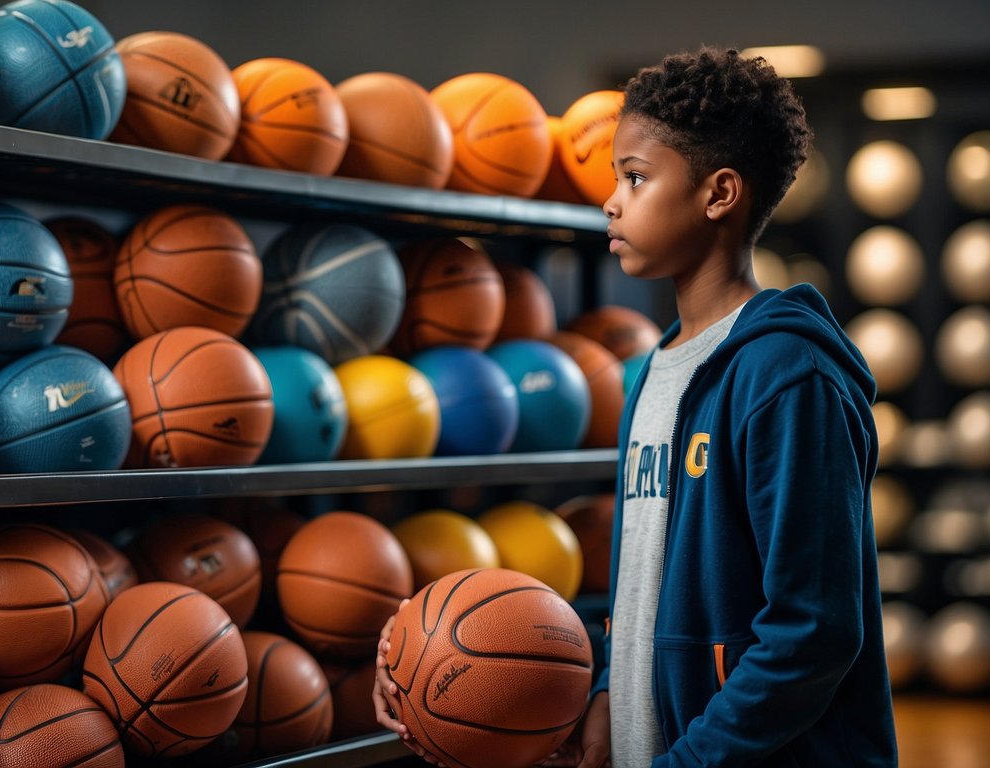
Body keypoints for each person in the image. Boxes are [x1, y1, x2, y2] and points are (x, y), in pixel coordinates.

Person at [375, 47, 898, 767]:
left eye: (635, 178)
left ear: (719, 194)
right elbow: (642, 590)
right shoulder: (653, 370)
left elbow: (814, 632)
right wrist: (603, 698)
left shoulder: (788, 375)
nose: (610, 200)